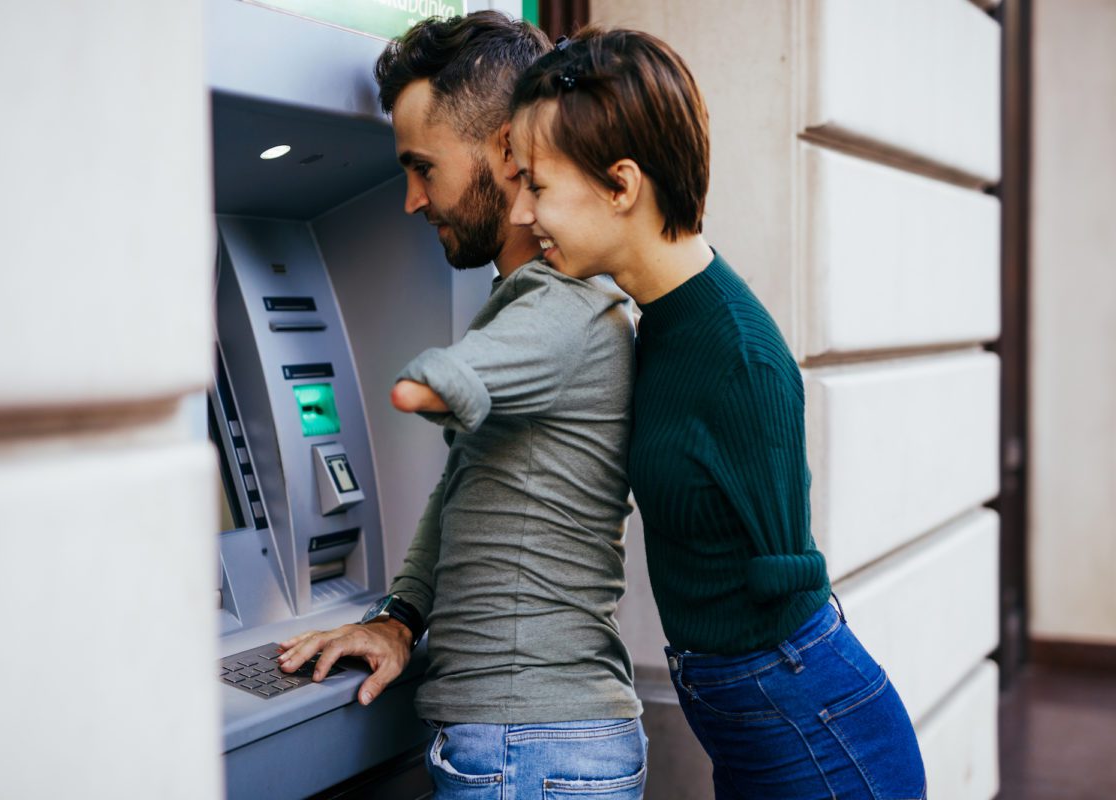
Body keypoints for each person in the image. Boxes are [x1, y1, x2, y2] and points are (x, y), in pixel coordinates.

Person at [507, 28, 927, 800]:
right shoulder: (656, 324)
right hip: (754, 730)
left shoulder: (738, 354)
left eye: (537, 185)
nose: (524, 211)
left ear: (621, 184)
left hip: (818, 742)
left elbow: (786, 585)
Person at [277, 12, 648, 798]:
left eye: (423, 167)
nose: (411, 200)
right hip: (529, 742)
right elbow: (462, 489)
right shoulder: (524, 301)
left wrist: (431, 382)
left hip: (530, 751)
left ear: (507, 153)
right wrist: (399, 617)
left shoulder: (560, 309)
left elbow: (454, 381)